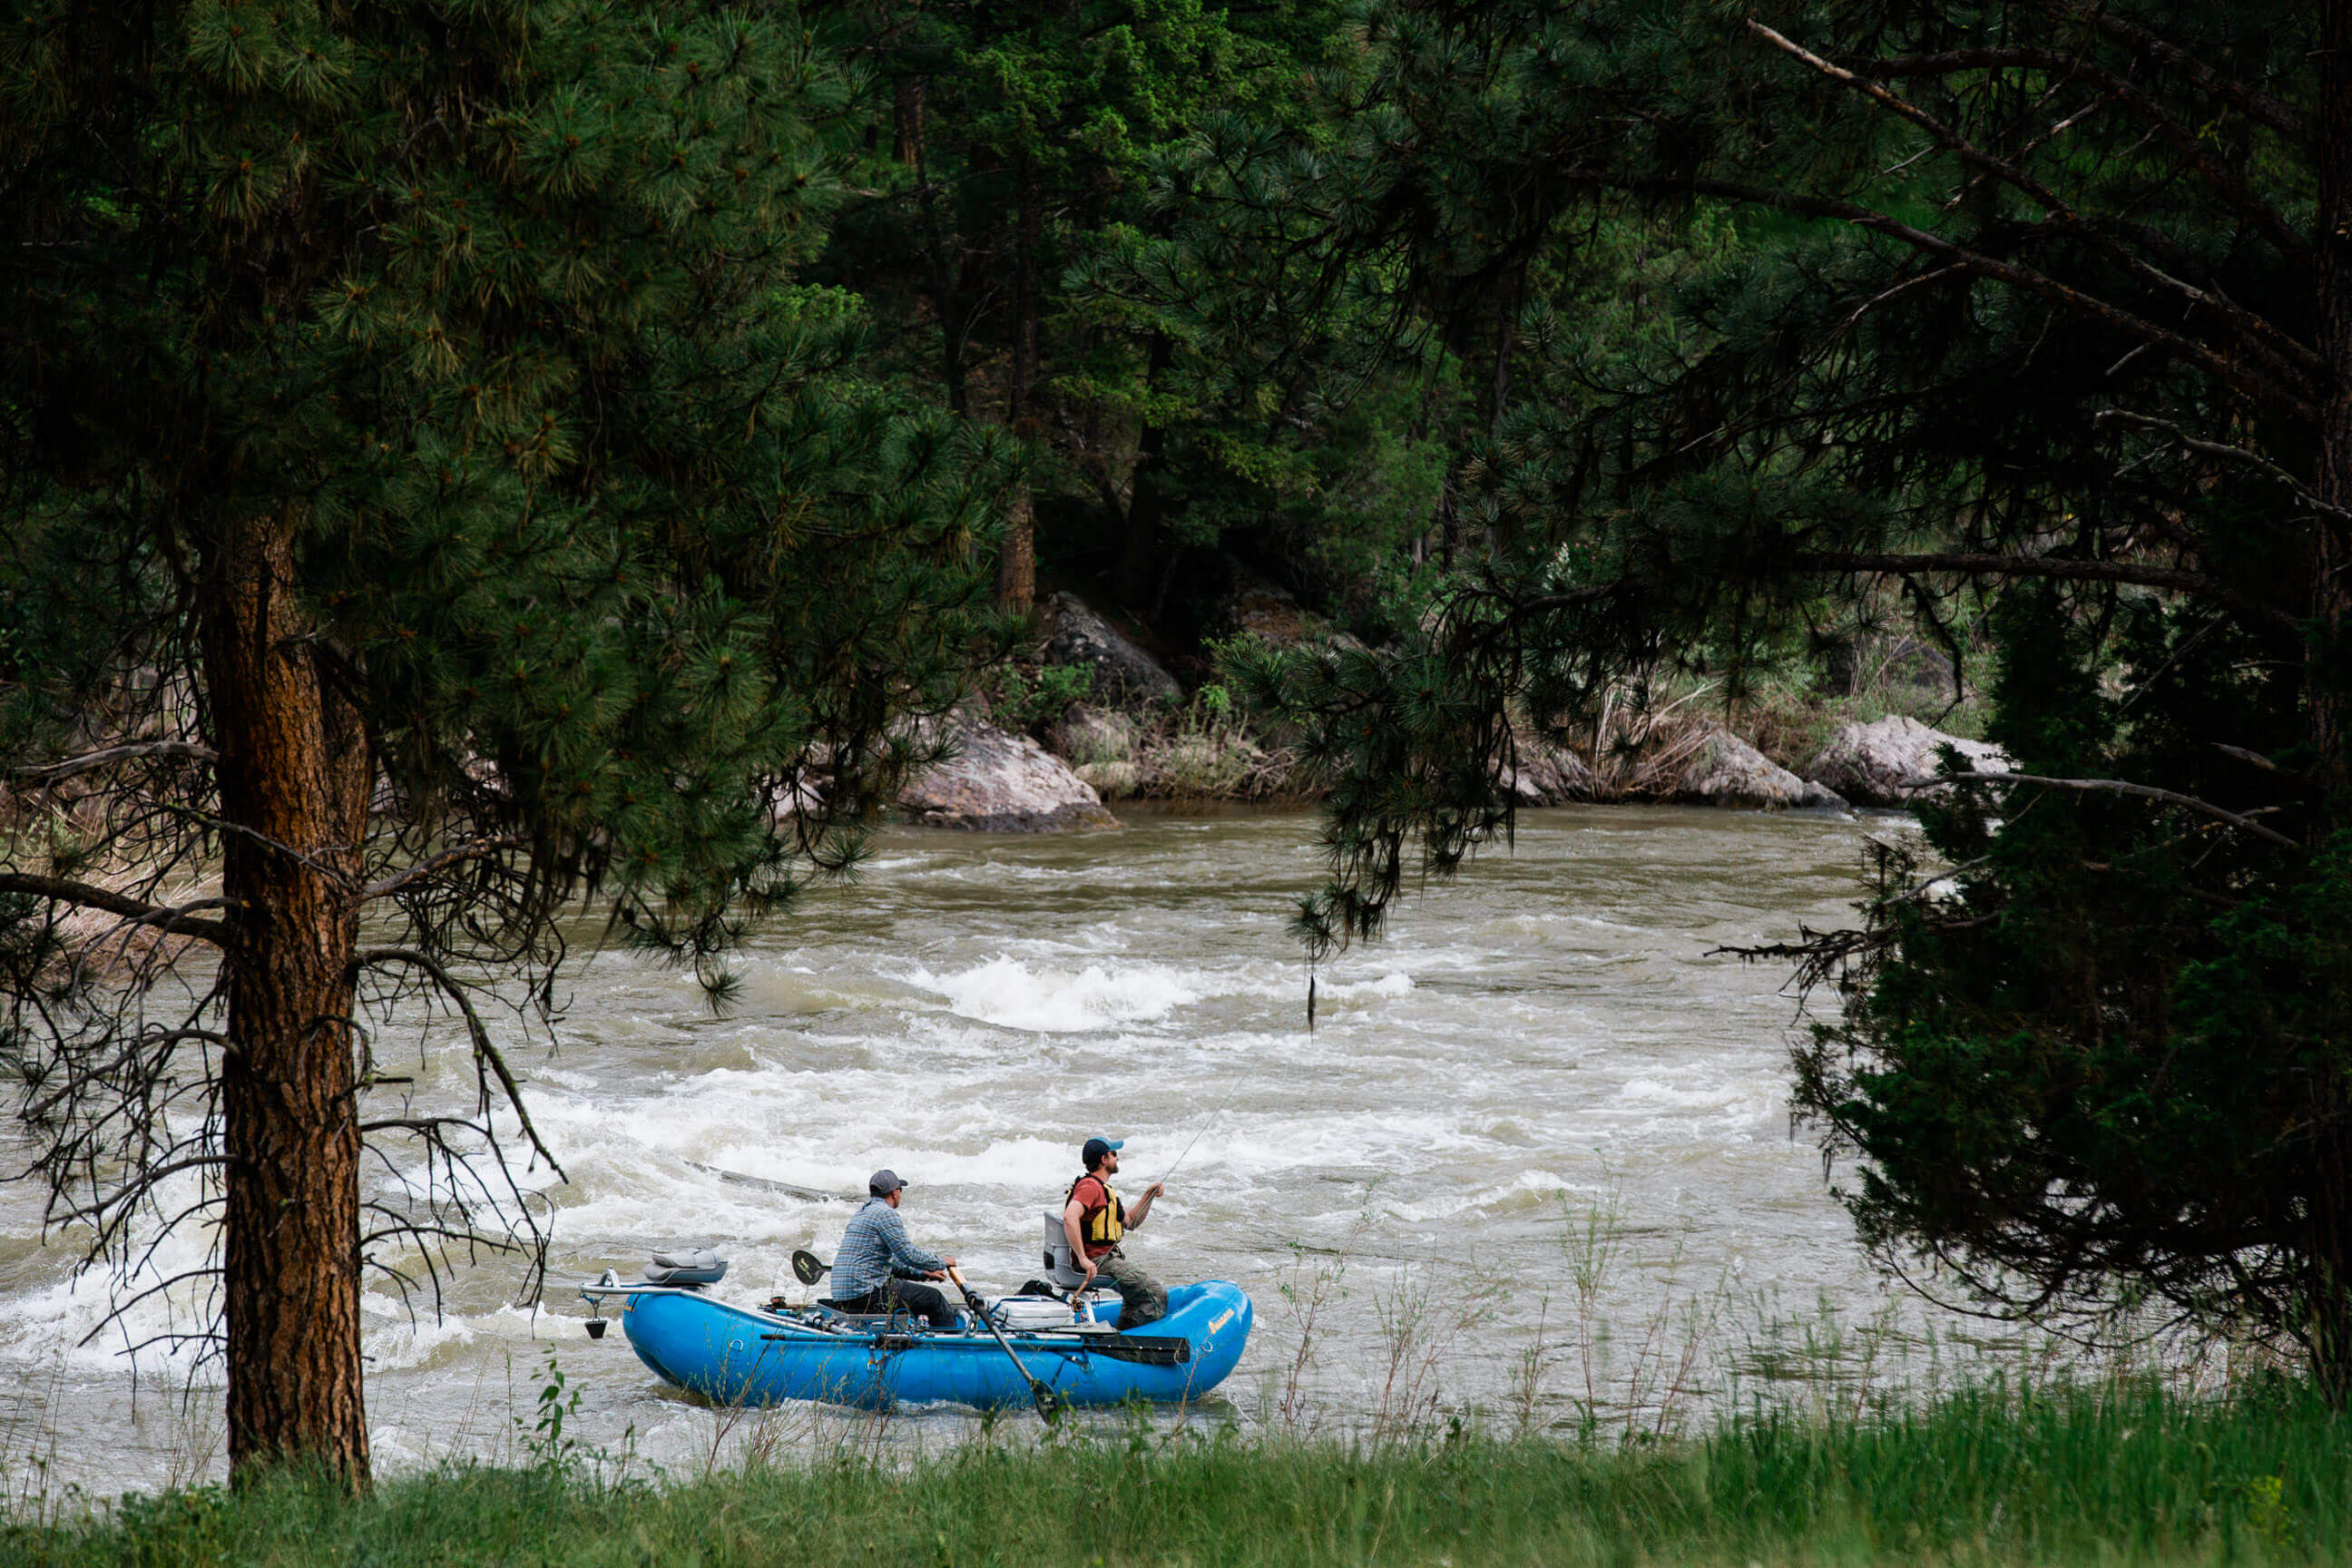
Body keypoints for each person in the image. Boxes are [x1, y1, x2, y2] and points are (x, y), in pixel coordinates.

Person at [828, 1169, 960, 1328]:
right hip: (866, 1292)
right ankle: (947, 1344)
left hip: (843, 1293)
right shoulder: (885, 1214)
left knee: (905, 1290)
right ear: (895, 1193)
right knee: (933, 1298)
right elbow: (909, 1255)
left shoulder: (861, 1214)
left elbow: (892, 1263)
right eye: (900, 1190)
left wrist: (923, 1274)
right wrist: (942, 1262)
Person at [1063, 1136, 1168, 1329]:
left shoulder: (1103, 1189)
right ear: (1104, 1160)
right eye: (1114, 1154)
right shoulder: (1090, 1187)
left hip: (1106, 1259)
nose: (1117, 1158)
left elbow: (1130, 1222)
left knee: (1136, 1294)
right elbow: (1070, 1217)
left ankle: (1123, 1336)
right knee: (1155, 1293)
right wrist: (1083, 1259)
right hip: (1098, 1260)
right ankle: (1133, 1348)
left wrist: (1149, 1195)